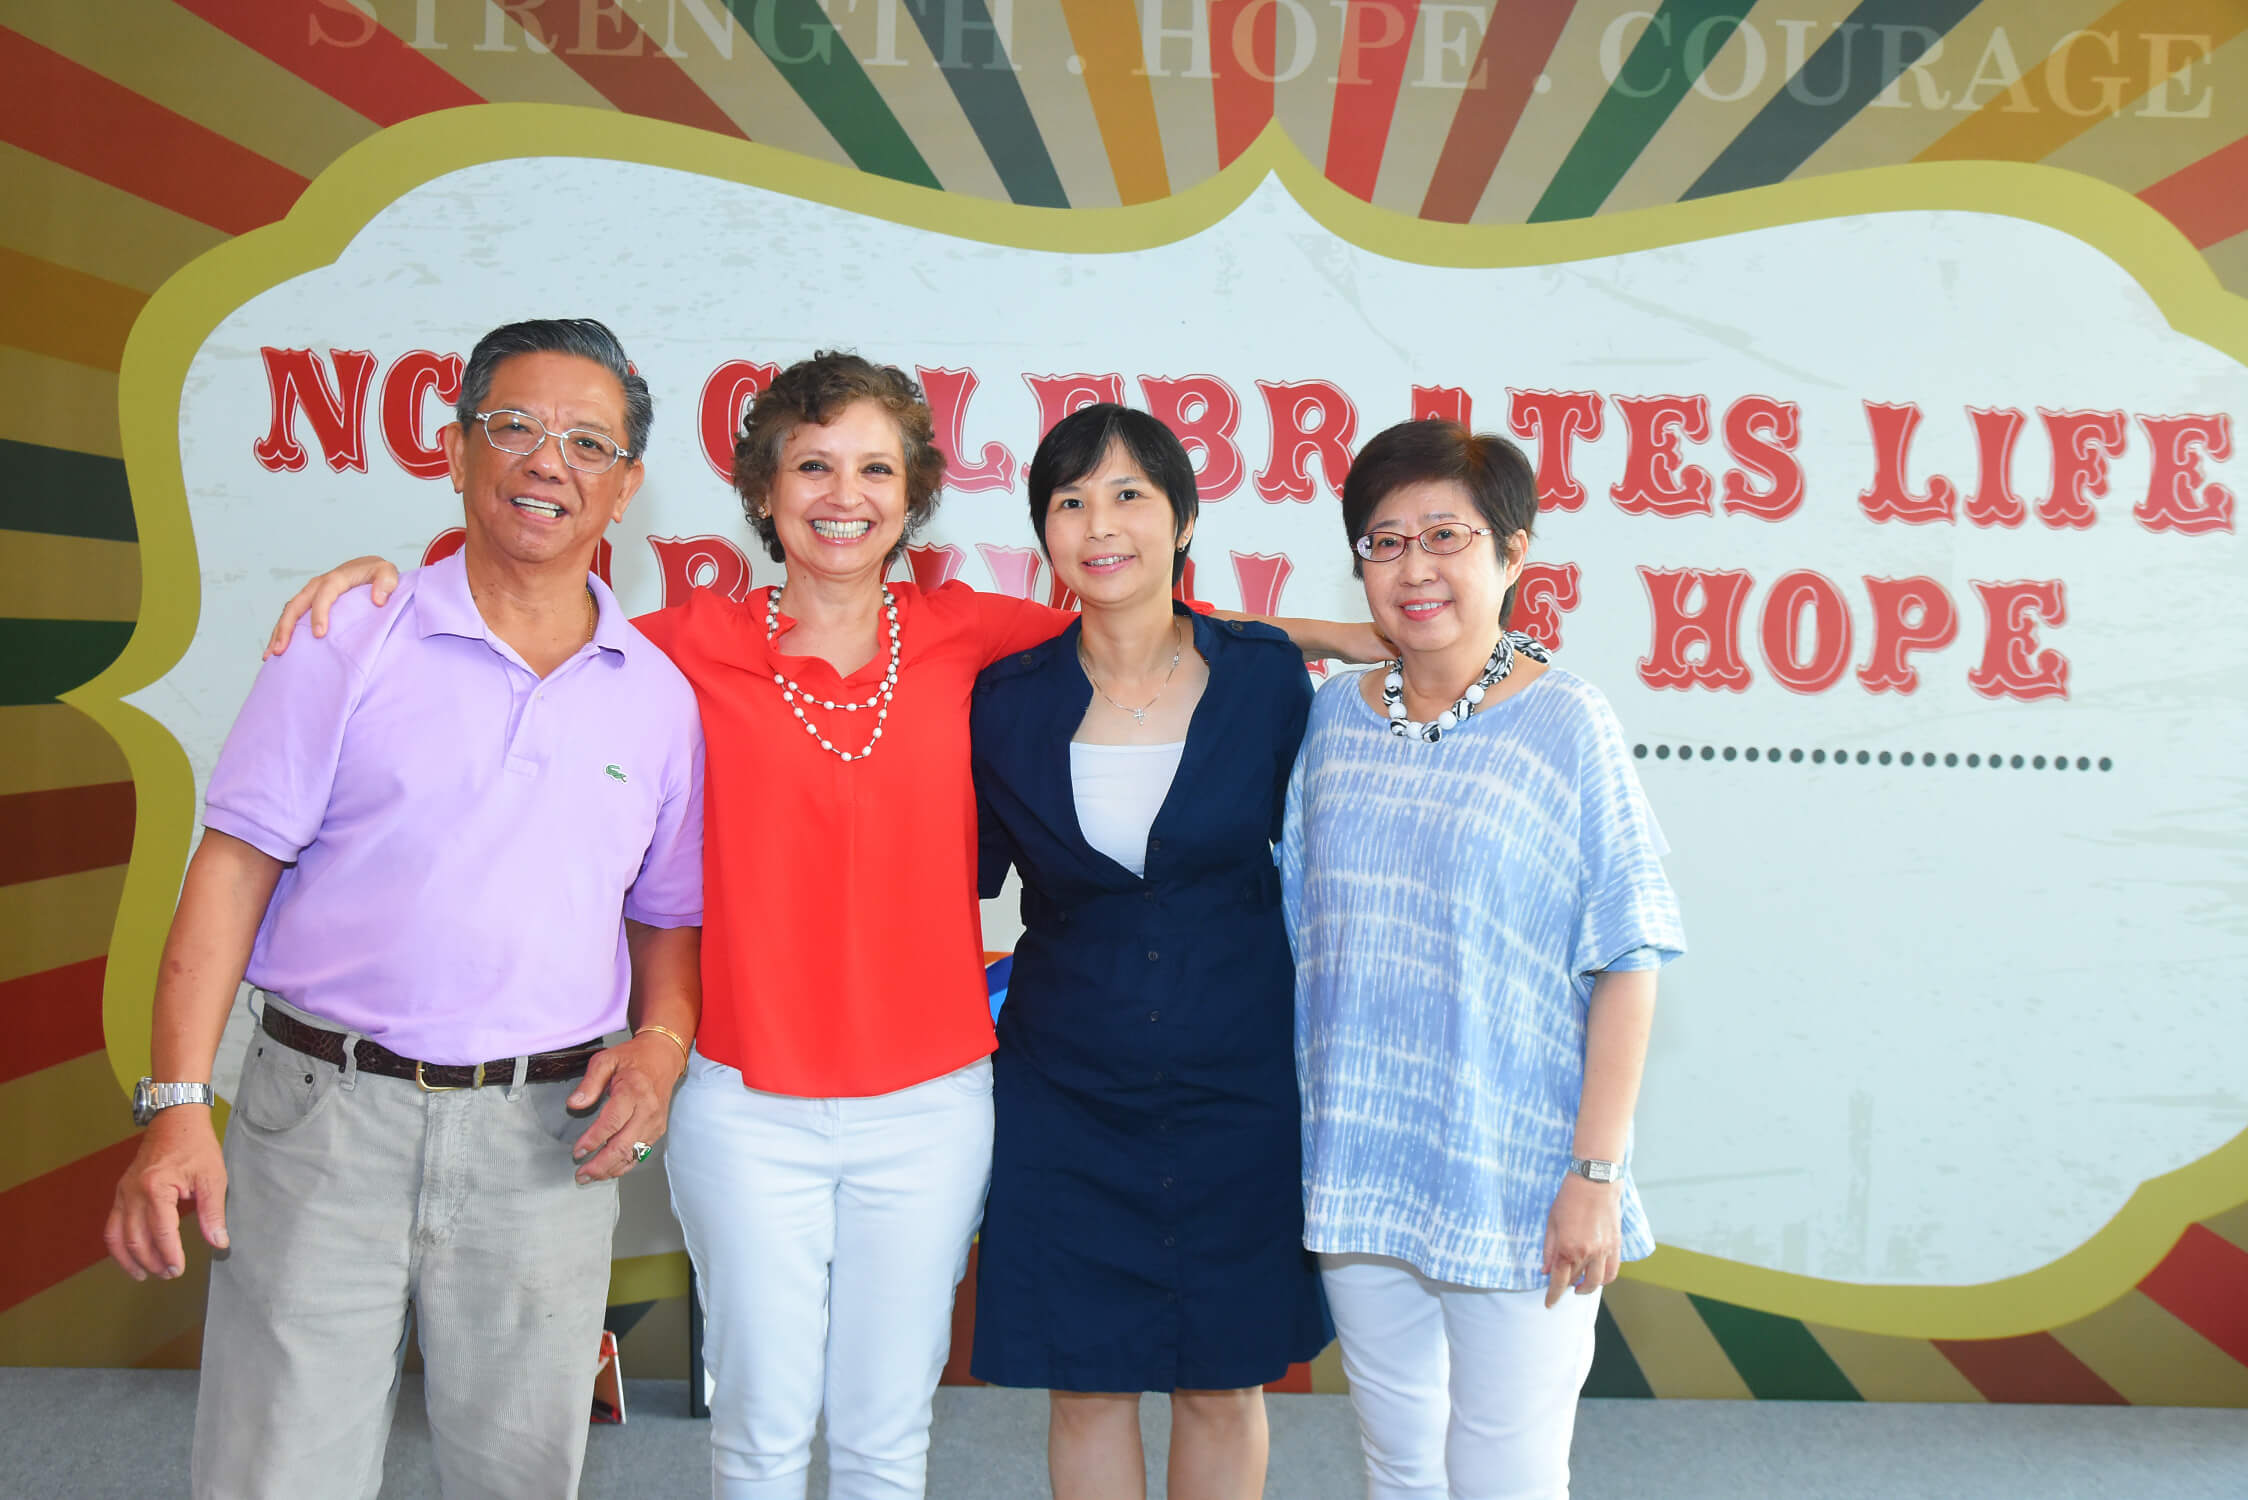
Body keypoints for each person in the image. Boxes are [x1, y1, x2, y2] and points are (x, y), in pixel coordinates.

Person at [265, 353, 1378, 1500]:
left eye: (872, 469)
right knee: (756, 1431)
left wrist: (1365, 637)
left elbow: (1147, 618)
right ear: (761, 490)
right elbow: (533, 616)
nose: (841, 495)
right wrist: (392, 593)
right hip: (744, 1102)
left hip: (933, 1103)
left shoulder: (969, 636)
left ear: (911, 497)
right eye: (811, 466)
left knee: (888, 1439)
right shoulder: (679, 648)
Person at [104, 318, 706, 1499]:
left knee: (518, 1477)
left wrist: (664, 1046)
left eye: (588, 442)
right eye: (515, 427)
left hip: (546, 1142)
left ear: (626, 487)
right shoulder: (346, 634)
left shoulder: (660, 698)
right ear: (455, 449)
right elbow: (229, 871)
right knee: (276, 1470)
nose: (549, 462)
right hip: (323, 1121)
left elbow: (664, 918)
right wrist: (175, 1107)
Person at [1279, 419, 1685, 1500]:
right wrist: (1351, 637)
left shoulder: (1565, 723)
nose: (1414, 567)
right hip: (1363, 1160)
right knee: (1398, 1466)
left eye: (1445, 537)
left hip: (1517, 1172)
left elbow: (1629, 954)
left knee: (1506, 1473)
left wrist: (1594, 1176)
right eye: (1383, 541)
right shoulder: (1331, 722)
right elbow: (1181, 639)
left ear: (1513, 553)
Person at [969, 405, 1331, 1500]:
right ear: (1043, 535)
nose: (1099, 523)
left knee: (1225, 1380)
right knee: (1086, 1381)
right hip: (1064, 1084)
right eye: (1069, 501)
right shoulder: (1005, 701)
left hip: (1239, 1080)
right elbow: (952, 880)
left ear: (1182, 519)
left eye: (1129, 494)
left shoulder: (1265, 678)